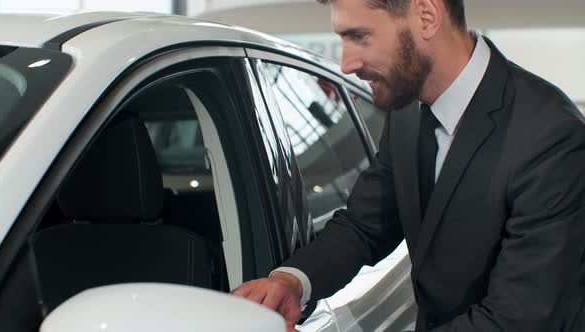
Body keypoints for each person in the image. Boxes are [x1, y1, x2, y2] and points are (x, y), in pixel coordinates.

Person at [232, 0, 585, 331]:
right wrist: (292, 281)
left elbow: (519, 319)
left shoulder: (551, 136)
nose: (346, 64)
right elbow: (365, 225)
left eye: (359, 36)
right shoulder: (407, 112)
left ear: (427, 16)